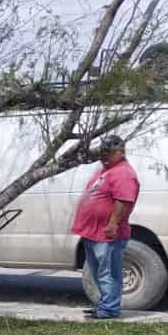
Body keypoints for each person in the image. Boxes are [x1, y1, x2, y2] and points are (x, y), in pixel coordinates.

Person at [69, 135, 139, 320]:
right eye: (102, 153)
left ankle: (109, 309)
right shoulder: (107, 169)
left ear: (120, 153)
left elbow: (123, 201)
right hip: (93, 232)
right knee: (98, 272)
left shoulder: (123, 173)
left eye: (108, 153)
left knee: (109, 272)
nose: (103, 157)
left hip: (108, 233)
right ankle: (104, 305)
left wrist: (113, 224)